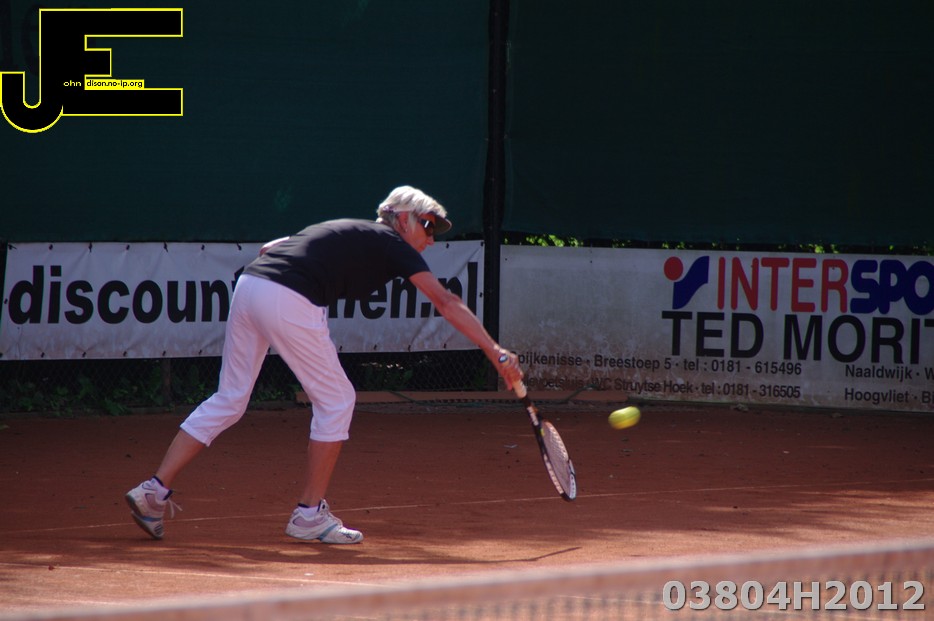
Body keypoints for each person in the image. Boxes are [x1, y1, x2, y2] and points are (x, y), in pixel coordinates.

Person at [125, 186, 522, 544]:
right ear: (403, 219)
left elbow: (270, 248)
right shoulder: (391, 241)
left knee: (230, 396)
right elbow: (446, 302)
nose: (432, 238)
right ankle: (308, 515)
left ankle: (154, 491)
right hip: (289, 295)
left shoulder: (347, 229)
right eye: (428, 225)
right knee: (337, 400)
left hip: (250, 286)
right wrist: (496, 351)